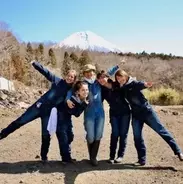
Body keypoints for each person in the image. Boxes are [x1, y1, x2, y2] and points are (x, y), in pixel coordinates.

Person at [0, 61, 77, 162]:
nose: (69, 78)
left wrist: (70, 101)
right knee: (20, 121)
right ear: (66, 75)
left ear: (74, 79)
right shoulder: (57, 81)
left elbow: (70, 98)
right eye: (69, 75)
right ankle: (2, 134)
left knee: (46, 134)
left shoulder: (71, 91)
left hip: (48, 113)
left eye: (72, 77)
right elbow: (47, 73)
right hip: (38, 107)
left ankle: (44, 156)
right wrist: (36, 64)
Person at [114, 69, 183, 165]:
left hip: (147, 112)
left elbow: (140, 84)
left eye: (121, 77)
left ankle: (178, 151)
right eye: (117, 78)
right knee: (137, 137)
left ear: (125, 76)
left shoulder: (133, 83)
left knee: (161, 131)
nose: (119, 80)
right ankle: (141, 160)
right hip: (136, 115)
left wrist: (145, 85)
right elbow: (109, 81)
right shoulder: (122, 87)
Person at [67, 64, 119, 166]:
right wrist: (68, 99)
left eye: (91, 71)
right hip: (89, 113)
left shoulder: (98, 82)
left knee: (98, 134)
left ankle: (93, 157)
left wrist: (117, 66)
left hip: (100, 113)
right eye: (87, 72)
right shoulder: (82, 83)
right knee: (90, 136)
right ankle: (92, 155)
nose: (90, 73)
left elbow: (108, 74)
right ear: (84, 73)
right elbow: (71, 91)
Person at [97, 71, 131, 164]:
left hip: (125, 112)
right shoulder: (102, 90)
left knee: (123, 134)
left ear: (107, 77)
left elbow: (126, 84)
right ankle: (112, 156)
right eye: (99, 78)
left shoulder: (116, 83)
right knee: (115, 133)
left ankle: (120, 155)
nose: (101, 80)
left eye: (103, 77)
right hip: (114, 113)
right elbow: (98, 101)